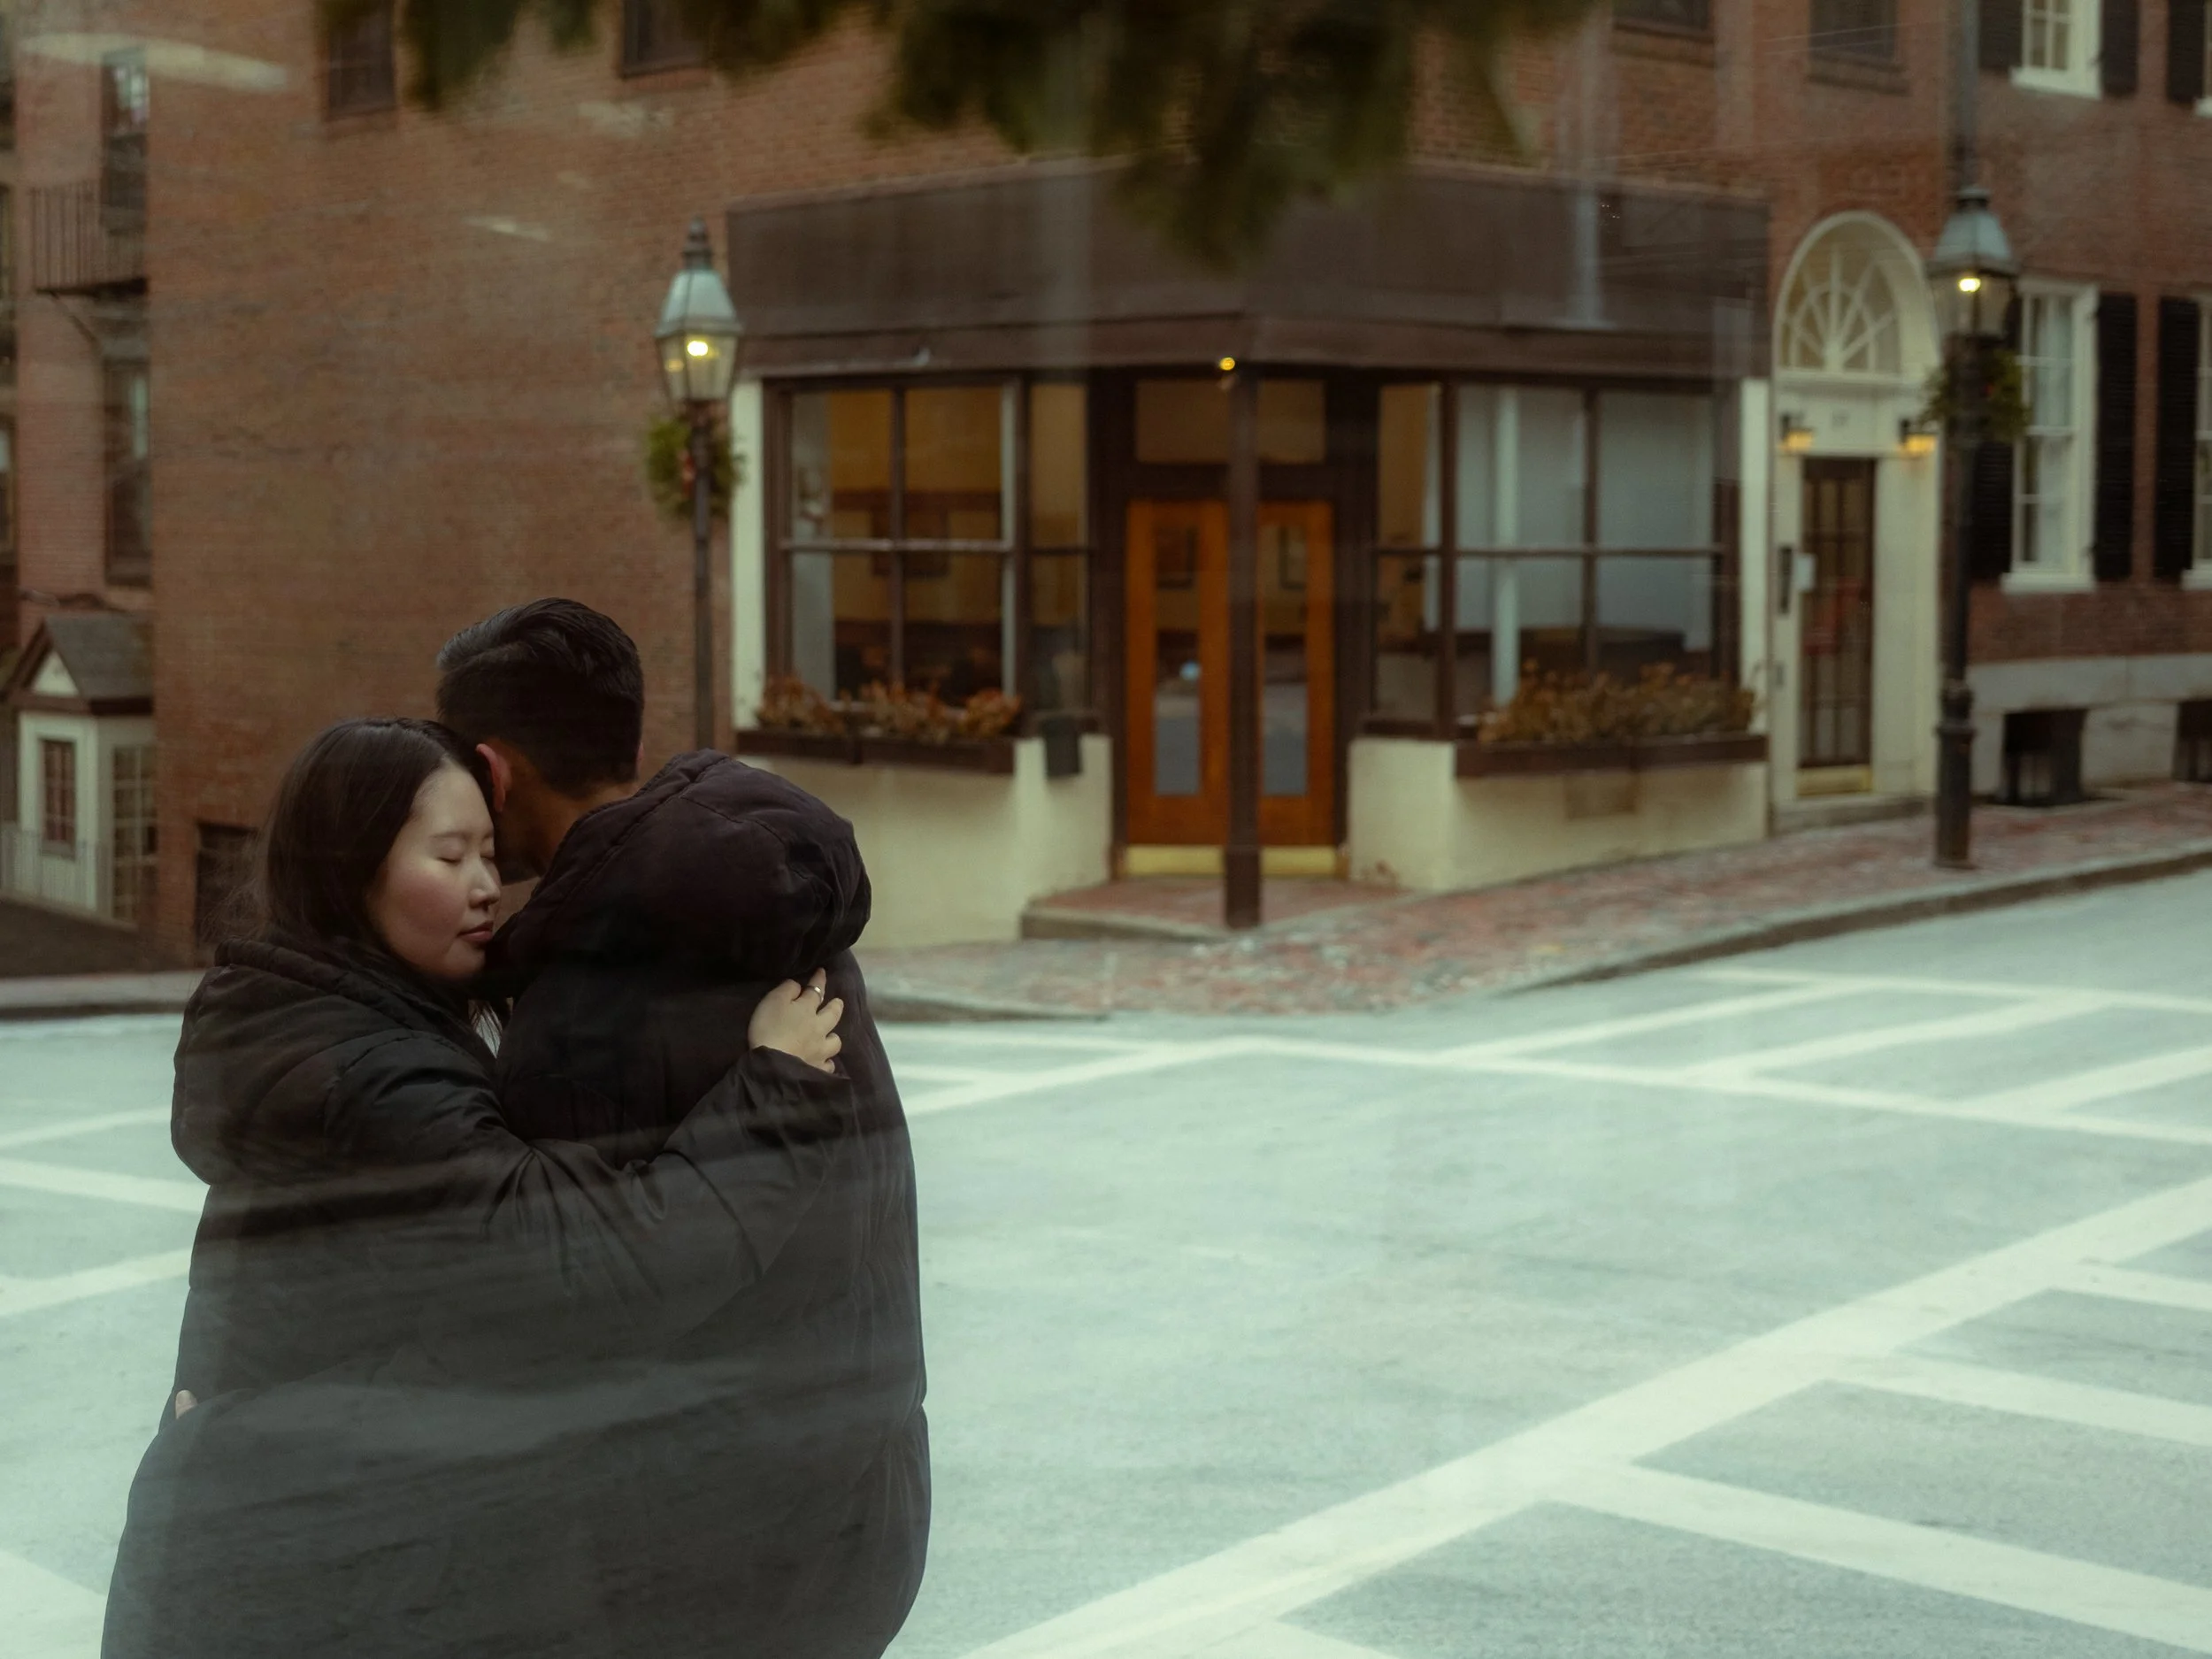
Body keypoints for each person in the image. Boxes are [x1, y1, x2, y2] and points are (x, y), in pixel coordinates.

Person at [104, 717, 854, 1659]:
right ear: (348, 872)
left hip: (272, 1532)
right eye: (450, 855)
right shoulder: (374, 1081)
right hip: (314, 1569)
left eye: (490, 854)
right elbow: (594, 1265)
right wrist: (773, 1091)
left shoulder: (308, 1019)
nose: (487, 885)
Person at [435, 598, 928, 1659]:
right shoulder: (774, 911)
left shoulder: (594, 988)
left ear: (494, 771)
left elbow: (595, 1294)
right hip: (864, 1495)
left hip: (705, 1553)